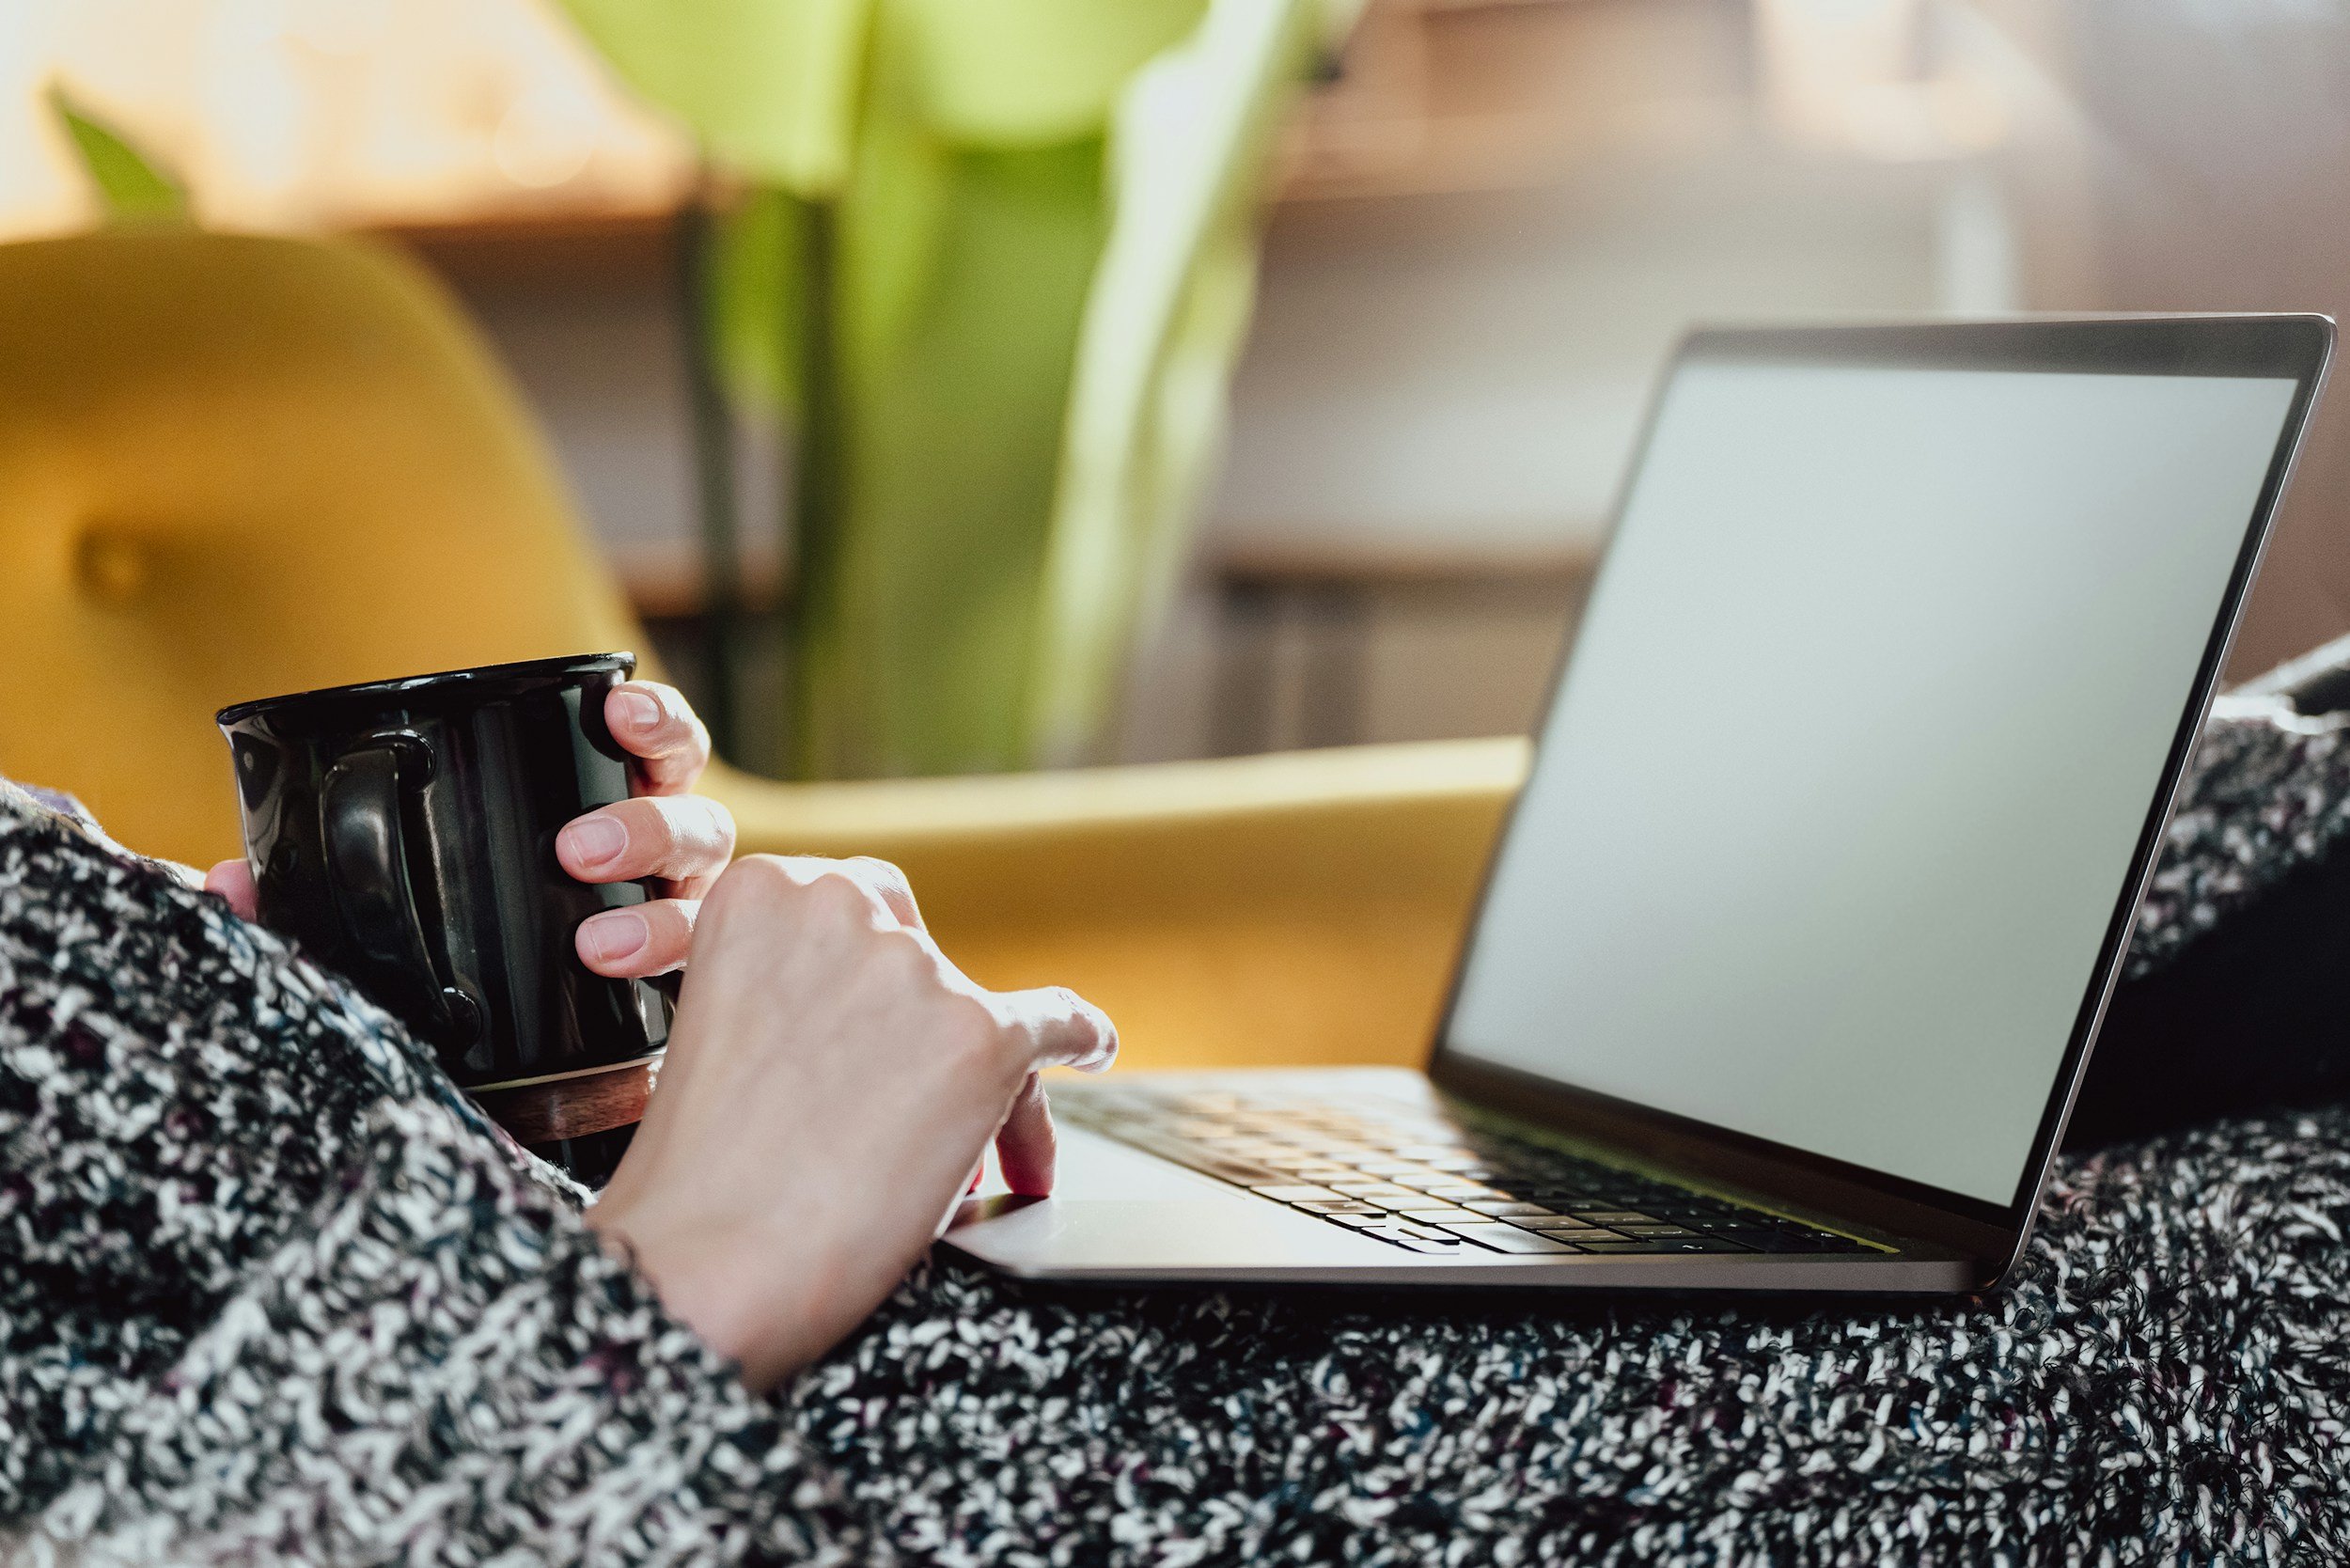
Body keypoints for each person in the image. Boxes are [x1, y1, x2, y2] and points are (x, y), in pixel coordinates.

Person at [5, 677, 2350, 1564]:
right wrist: (685, 1262)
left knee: (2194, 819)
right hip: (1213, 1479)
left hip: (1128, 1308)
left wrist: (473, 1104)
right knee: (2222, 1254)